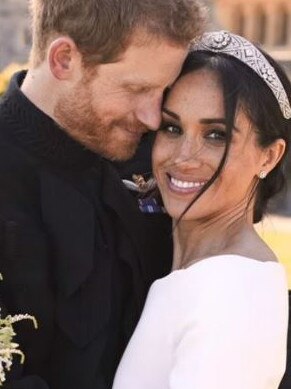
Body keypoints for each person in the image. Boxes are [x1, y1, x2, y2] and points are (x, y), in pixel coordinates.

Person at [0, 0, 205, 388]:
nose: (152, 117)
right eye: (137, 89)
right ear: (64, 60)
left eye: (164, 91)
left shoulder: (161, 154)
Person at [112, 31, 291, 389]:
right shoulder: (194, 275)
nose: (182, 157)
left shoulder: (235, 292)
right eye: (172, 127)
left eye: (216, 135)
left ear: (269, 156)